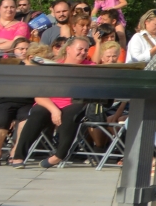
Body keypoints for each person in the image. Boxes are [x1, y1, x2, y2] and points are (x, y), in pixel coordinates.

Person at [11, 37, 94, 166]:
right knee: (38, 111)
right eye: (80, 49)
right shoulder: (53, 65)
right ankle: (18, 156)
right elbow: (39, 95)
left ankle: (59, 156)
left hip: (74, 103)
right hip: (50, 103)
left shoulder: (91, 68)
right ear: (68, 49)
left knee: (73, 112)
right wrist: (54, 110)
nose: (83, 52)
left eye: (86, 50)